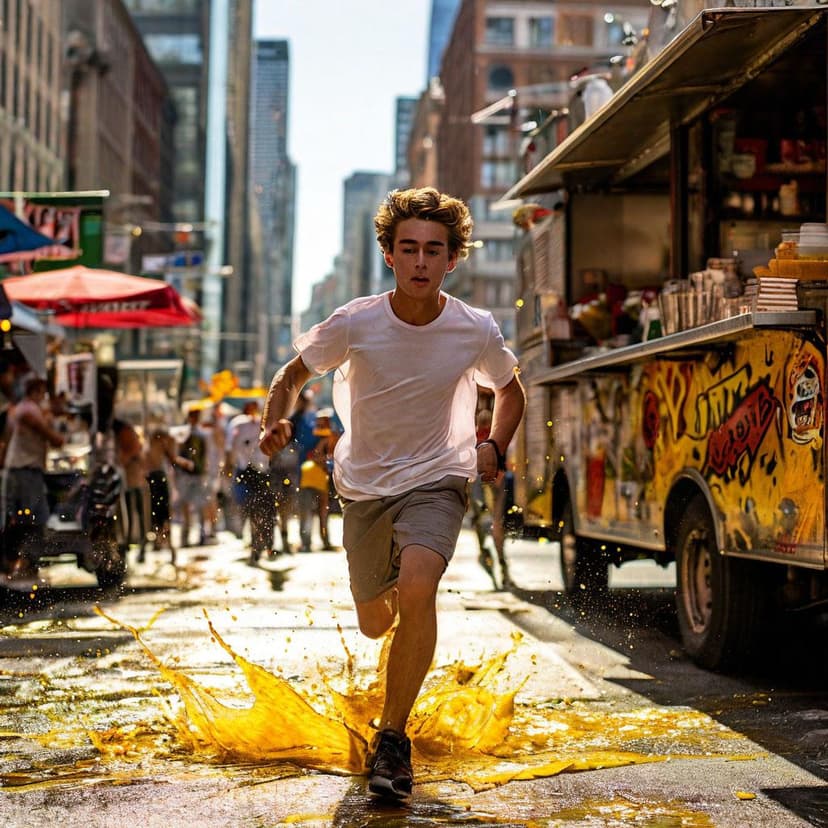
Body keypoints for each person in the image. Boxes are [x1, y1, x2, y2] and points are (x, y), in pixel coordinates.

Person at [259, 186, 525, 799]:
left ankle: (393, 740)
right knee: (376, 623)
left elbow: (510, 388)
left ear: (452, 259)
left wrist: (494, 444)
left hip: (439, 477)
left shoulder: (474, 328)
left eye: (434, 250)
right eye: (409, 249)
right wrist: (275, 420)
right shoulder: (355, 322)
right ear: (389, 255)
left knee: (419, 585)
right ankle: (400, 639)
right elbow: (291, 374)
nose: (421, 262)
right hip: (365, 488)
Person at [3, 374, 65, 578]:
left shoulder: (26, 409)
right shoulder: (27, 410)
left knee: (26, 517)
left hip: (24, 470)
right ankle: (24, 562)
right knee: (31, 518)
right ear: (36, 391)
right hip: (25, 472)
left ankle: (22, 562)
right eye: (43, 392)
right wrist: (57, 435)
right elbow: (52, 437)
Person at [469, 406, 511, 590]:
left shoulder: (473, 440)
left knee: (484, 529)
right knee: (496, 528)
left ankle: (496, 566)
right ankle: (502, 568)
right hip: (492, 486)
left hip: (482, 490)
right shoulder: (496, 440)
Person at [226, 401, 273, 563]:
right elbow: (230, 448)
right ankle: (256, 544)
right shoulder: (238, 424)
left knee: (260, 510)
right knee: (250, 509)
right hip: (245, 471)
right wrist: (229, 466)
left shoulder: (262, 423)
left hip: (261, 472)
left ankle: (261, 544)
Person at [144, 427, 193, 563]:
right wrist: (186, 463)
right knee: (162, 516)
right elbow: (173, 459)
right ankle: (166, 546)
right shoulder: (157, 446)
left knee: (157, 515)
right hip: (157, 480)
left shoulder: (149, 448)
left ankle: (162, 544)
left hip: (153, 480)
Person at [112, 417, 149, 560]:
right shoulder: (122, 435)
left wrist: (123, 460)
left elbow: (134, 452)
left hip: (135, 482)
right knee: (129, 516)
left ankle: (141, 545)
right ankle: (127, 543)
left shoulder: (127, 433)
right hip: (128, 483)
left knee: (138, 515)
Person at [176, 407, 210, 547]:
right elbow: (177, 452)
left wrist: (205, 471)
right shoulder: (183, 433)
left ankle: (202, 534)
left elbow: (205, 453)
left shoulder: (202, 434)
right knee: (185, 505)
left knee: (200, 505)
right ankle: (185, 535)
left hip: (198, 474)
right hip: (185, 474)